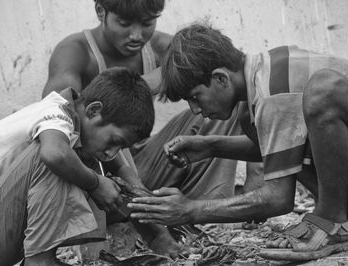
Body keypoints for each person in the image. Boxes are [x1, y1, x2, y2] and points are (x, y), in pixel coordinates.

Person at [42, 0, 262, 257]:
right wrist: (129, 88)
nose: (136, 35)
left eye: (147, 23)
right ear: (101, 12)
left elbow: (233, 76)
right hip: (99, 177)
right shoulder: (75, 52)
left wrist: (256, 172)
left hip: (140, 171)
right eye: (124, 24)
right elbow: (57, 117)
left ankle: (204, 210)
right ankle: (143, 220)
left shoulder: (160, 47)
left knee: (218, 107)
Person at [128, 23, 348, 261]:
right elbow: (282, 145)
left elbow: (278, 198)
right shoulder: (261, 79)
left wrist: (189, 210)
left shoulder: (272, 91)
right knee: (248, 122)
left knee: (322, 90)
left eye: (194, 97)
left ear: (221, 78)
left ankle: (332, 219)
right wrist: (211, 146)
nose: (195, 109)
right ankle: (335, 218)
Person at [0, 67, 155, 266]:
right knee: (57, 155)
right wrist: (95, 183)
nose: (111, 152)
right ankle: (39, 261)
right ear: (93, 110)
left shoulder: (79, 124)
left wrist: (139, 193)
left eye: (121, 147)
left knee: (79, 154)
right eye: (114, 141)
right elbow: (54, 155)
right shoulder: (56, 115)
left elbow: (116, 163)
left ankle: (43, 257)